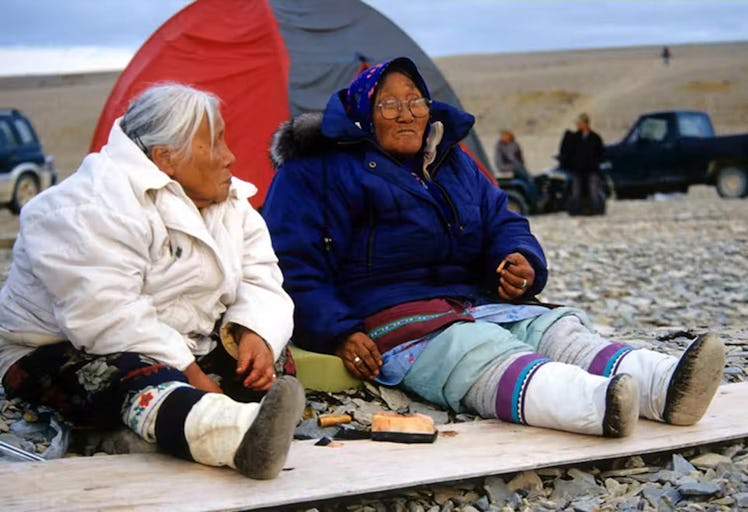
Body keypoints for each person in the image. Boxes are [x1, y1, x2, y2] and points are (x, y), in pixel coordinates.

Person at [263, 57, 725, 438]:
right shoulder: (315, 172)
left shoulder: (451, 160)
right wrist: (338, 330)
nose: (407, 114)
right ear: (363, 114)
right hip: (392, 317)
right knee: (475, 350)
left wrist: (519, 259)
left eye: (416, 101)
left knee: (555, 329)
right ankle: (595, 405)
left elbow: (501, 219)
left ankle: (665, 386)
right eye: (389, 105)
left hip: (471, 300)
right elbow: (290, 262)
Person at [0, 84, 303, 479]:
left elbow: (262, 278)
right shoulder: (83, 207)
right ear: (165, 159)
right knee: (136, 375)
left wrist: (255, 333)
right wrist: (191, 375)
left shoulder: (230, 204)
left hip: (180, 343)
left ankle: (192, 420)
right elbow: (107, 317)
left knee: (267, 358)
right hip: (62, 350)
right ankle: (230, 438)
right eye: (213, 145)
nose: (230, 157)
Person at [560, 113, 606, 215]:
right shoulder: (575, 138)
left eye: (580, 123)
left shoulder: (595, 138)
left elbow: (600, 154)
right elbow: (569, 153)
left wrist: (595, 164)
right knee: (576, 192)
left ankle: (597, 212)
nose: (578, 125)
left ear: (585, 123)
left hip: (591, 170)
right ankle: (575, 212)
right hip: (578, 171)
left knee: (594, 191)